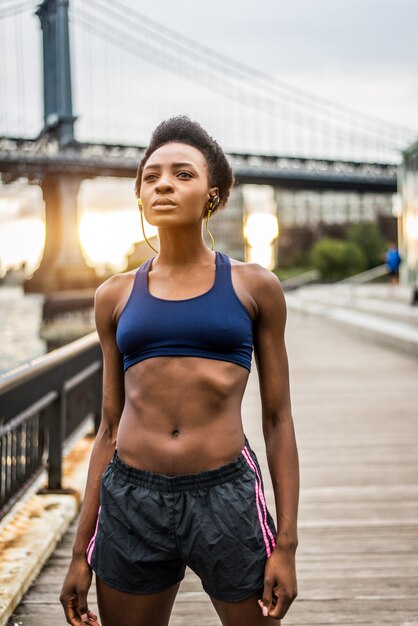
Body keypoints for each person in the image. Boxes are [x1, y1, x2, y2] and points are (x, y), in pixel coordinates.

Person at [60, 115, 299, 626]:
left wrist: (287, 545)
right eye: (151, 176)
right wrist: (80, 554)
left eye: (183, 174)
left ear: (213, 194)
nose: (164, 183)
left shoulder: (254, 287)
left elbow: (278, 420)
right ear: (140, 195)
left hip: (227, 496)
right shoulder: (114, 296)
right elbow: (108, 426)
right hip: (131, 498)